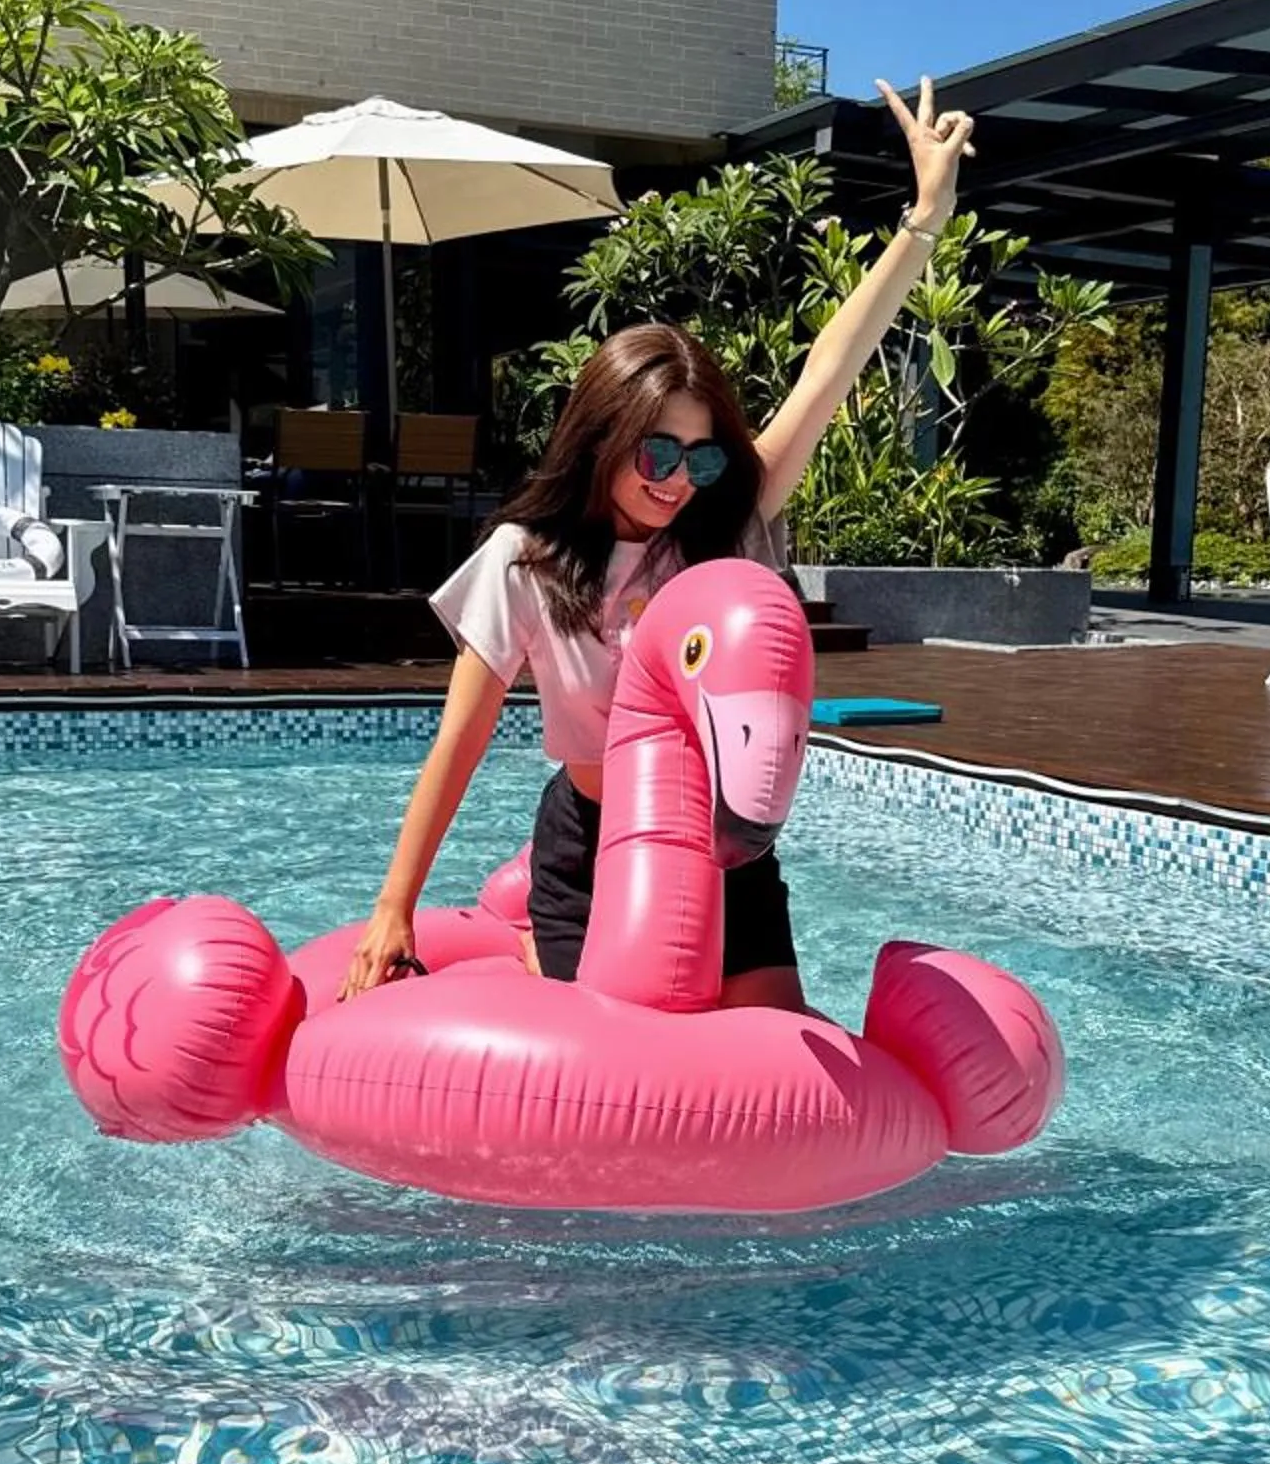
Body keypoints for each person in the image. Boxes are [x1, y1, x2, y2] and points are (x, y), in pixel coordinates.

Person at [339, 77, 973, 1009]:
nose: (678, 481)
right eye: (657, 451)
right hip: (592, 845)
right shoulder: (528, 559)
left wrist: (923, 221)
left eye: (702, 458)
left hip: (717, 845)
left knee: (766, 1064)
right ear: (602, 434)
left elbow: (828, 369)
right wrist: (393, 907)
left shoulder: (726, 526)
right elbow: (460, 741)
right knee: (611, 1070)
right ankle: (523, 940)